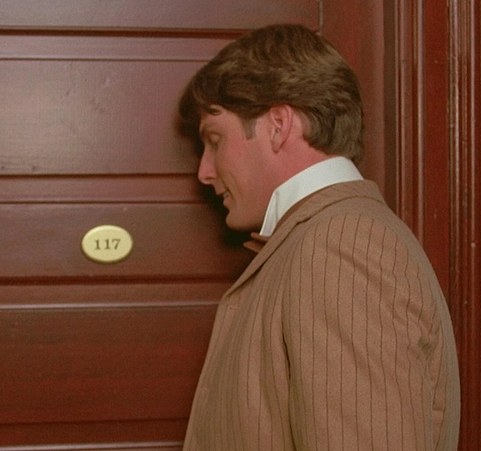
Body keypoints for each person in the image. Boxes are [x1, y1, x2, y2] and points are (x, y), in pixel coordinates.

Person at [177, 24, 460, 450]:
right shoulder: (324, 238)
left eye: (215, 140)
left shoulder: (341, 245)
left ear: (278, 125)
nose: (204, 171)